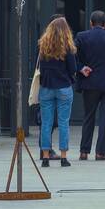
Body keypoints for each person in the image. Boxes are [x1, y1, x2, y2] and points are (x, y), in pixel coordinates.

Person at [75, 10, 105, 161]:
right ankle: (100, 152)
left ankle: (84, 151)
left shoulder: (82, 37)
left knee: (88, 116)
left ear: (91, 23)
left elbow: (72, 55)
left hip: (89, 82)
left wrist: (81, 67)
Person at [36, 17, 79, 167]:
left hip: (46, 87)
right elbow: (73, 69)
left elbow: (41, 67)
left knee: (46, 123)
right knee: (63, 123)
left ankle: (46, 156)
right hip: (63, 87)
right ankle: (63, 157)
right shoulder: (68, 47)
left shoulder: (43, 46)